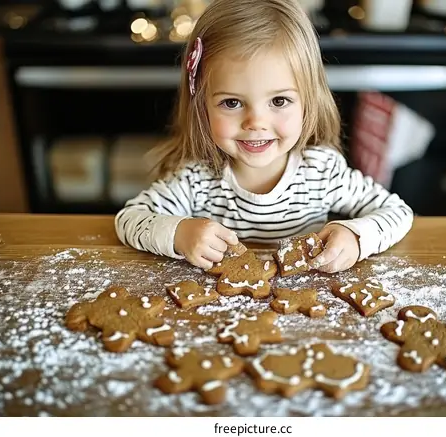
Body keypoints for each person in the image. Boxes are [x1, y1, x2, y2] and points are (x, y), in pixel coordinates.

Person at [115, 0, 413, 274]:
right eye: (232, 102)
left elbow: (398, 213)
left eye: (279, 101)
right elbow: (129, 220)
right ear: (202, 106)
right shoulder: (196, 179)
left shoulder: (322, 172)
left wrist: (356, 237)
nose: (256, 122)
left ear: (309, 100)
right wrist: (179, 233)